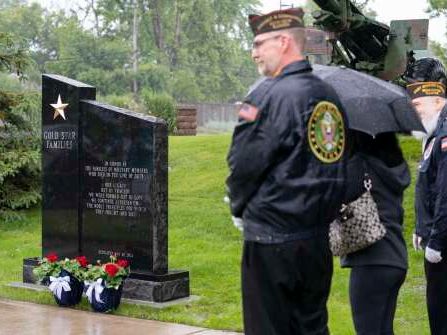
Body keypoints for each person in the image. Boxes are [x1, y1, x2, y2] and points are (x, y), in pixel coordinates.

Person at [226, 8, 347, 335]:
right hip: (316, 242)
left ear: (283, 41)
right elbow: (338, 164)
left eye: (259, 43)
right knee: (311, 327)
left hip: (271, 241)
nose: (254, 53)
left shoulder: (265, 94)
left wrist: (237, 207)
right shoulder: (330, 96)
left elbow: (244, 163)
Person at [340, 131, 410, 335]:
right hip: (395, 257)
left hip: (370, 259)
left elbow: (334, 196)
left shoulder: (359, 165)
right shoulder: (393, 166)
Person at [404, 57, 447, 335]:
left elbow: (446, 192)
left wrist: (437, 241)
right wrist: (421, 227)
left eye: (420, 95)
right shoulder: (433, 131)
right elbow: (428, 186)